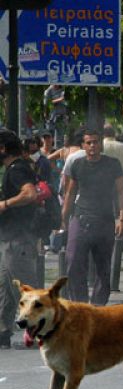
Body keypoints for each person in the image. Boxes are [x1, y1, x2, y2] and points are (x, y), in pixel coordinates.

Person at [62, 129, 123, 305]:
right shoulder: (77, 164)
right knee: (73, 262)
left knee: (103, 267)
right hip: (81, 218)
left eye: (96, 142)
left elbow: (122, 191)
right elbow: (70, 192)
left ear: (101, 144)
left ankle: (98, 306)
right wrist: (63, 220)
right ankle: (79, 305)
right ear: (83, 145)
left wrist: (121, 219)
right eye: (89, 142)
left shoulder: (112, 164)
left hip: (105, 220)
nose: (92, 146)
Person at [0, 130, 40, 349]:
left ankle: (47, 330)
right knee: (6, 288)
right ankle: (3, 331)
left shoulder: (17, 170)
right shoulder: (13, 169)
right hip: (11, 239)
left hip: (19, 239)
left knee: (28, 289)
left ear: (3, 148)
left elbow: (30, 194)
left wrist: (4, 205)